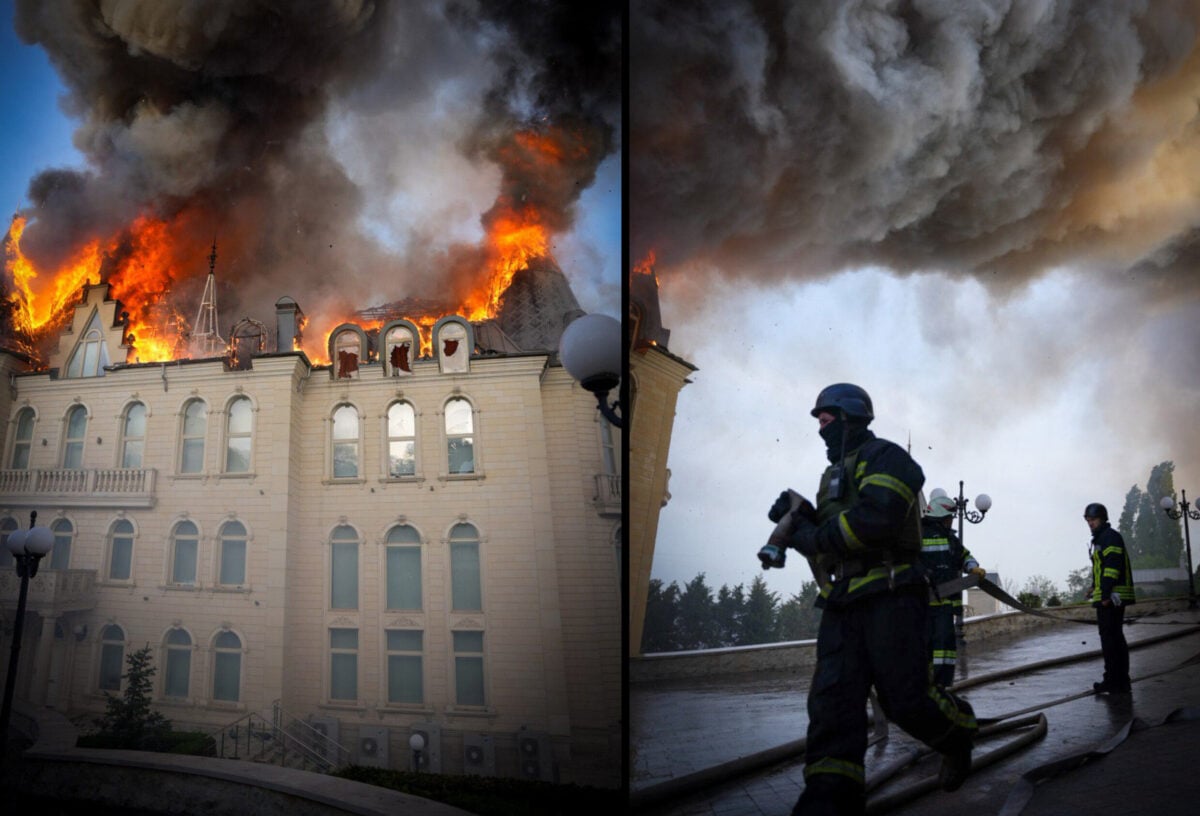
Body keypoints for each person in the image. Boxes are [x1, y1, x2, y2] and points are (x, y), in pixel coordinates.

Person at [765, 383, 978, 815]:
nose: (821, 429)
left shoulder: (888, 457)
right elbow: (834, 528)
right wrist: (800, 517)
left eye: (826, 420)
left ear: (849, 418)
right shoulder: (832, 478)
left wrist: (811, 535)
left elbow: (876, 519)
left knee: (905, 700)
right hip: (843, 603)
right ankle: (827, 801)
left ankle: (959, 733)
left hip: (892, 595)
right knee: (832, 708)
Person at [921, 495, 986, 687]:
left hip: (943, 606)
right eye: (950, 516)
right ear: (942, 517)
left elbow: (964, 556)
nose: (951, 520)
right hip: (925, 606)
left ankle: (940, 687)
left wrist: (972, 566)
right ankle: (934, 688)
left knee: (945, 649)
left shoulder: (951, 539)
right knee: (931, 648)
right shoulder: (919, 536)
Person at [1084, 502, 1135, 694]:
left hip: (1113, 597)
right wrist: (1093, 587)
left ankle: (1115, 681)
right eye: (1088, 520)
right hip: (1111, 595)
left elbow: (1112, 568)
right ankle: (1119, 680)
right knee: (1113, 639)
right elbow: (1100, 569)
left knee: (1111, 641)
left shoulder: (1109, 537)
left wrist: (1105, 594)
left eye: (1093, 519)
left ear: (1102, 519)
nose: (1090, 523)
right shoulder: (1101, 539)